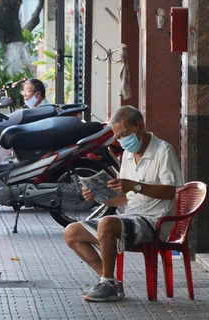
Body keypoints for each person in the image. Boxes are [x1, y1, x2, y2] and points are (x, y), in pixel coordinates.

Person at [63, 105, 183, 302]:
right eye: (117, 136)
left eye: (124, 134)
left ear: (140, 126)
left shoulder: (163, 151)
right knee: (71, 232)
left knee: (107, 223)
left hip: (154, 222)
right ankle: (109, 281)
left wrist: (135, 186)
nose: (121, 140)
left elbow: (169, 191)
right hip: (129, 219)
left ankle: (108, 283)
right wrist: (97, 196)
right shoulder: (127, 154)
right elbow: (125, 197)